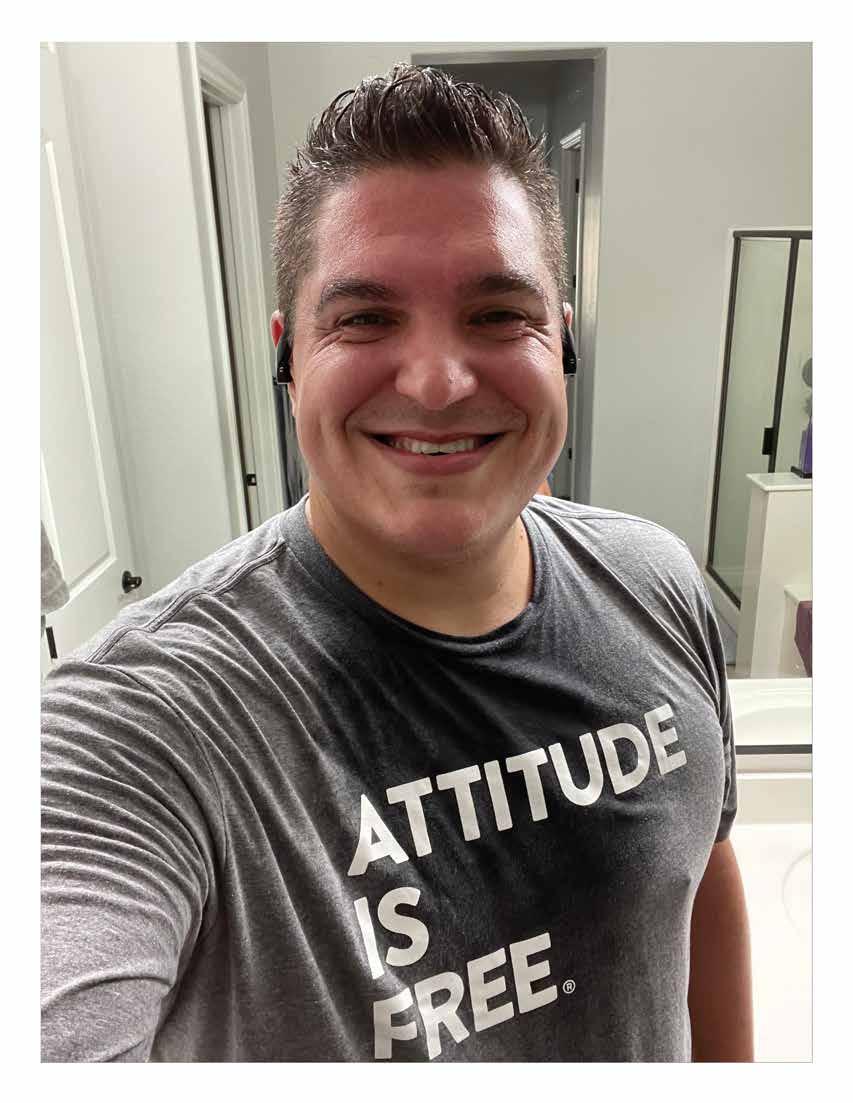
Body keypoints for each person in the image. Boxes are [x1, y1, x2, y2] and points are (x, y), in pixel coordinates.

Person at [41, 63, 752, 1062]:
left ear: (560, 342)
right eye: (366, 318)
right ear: (289, 359)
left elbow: (697, 877)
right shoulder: (140, 725)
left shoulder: (657, 583)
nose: (437, 382)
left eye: (498, 314)